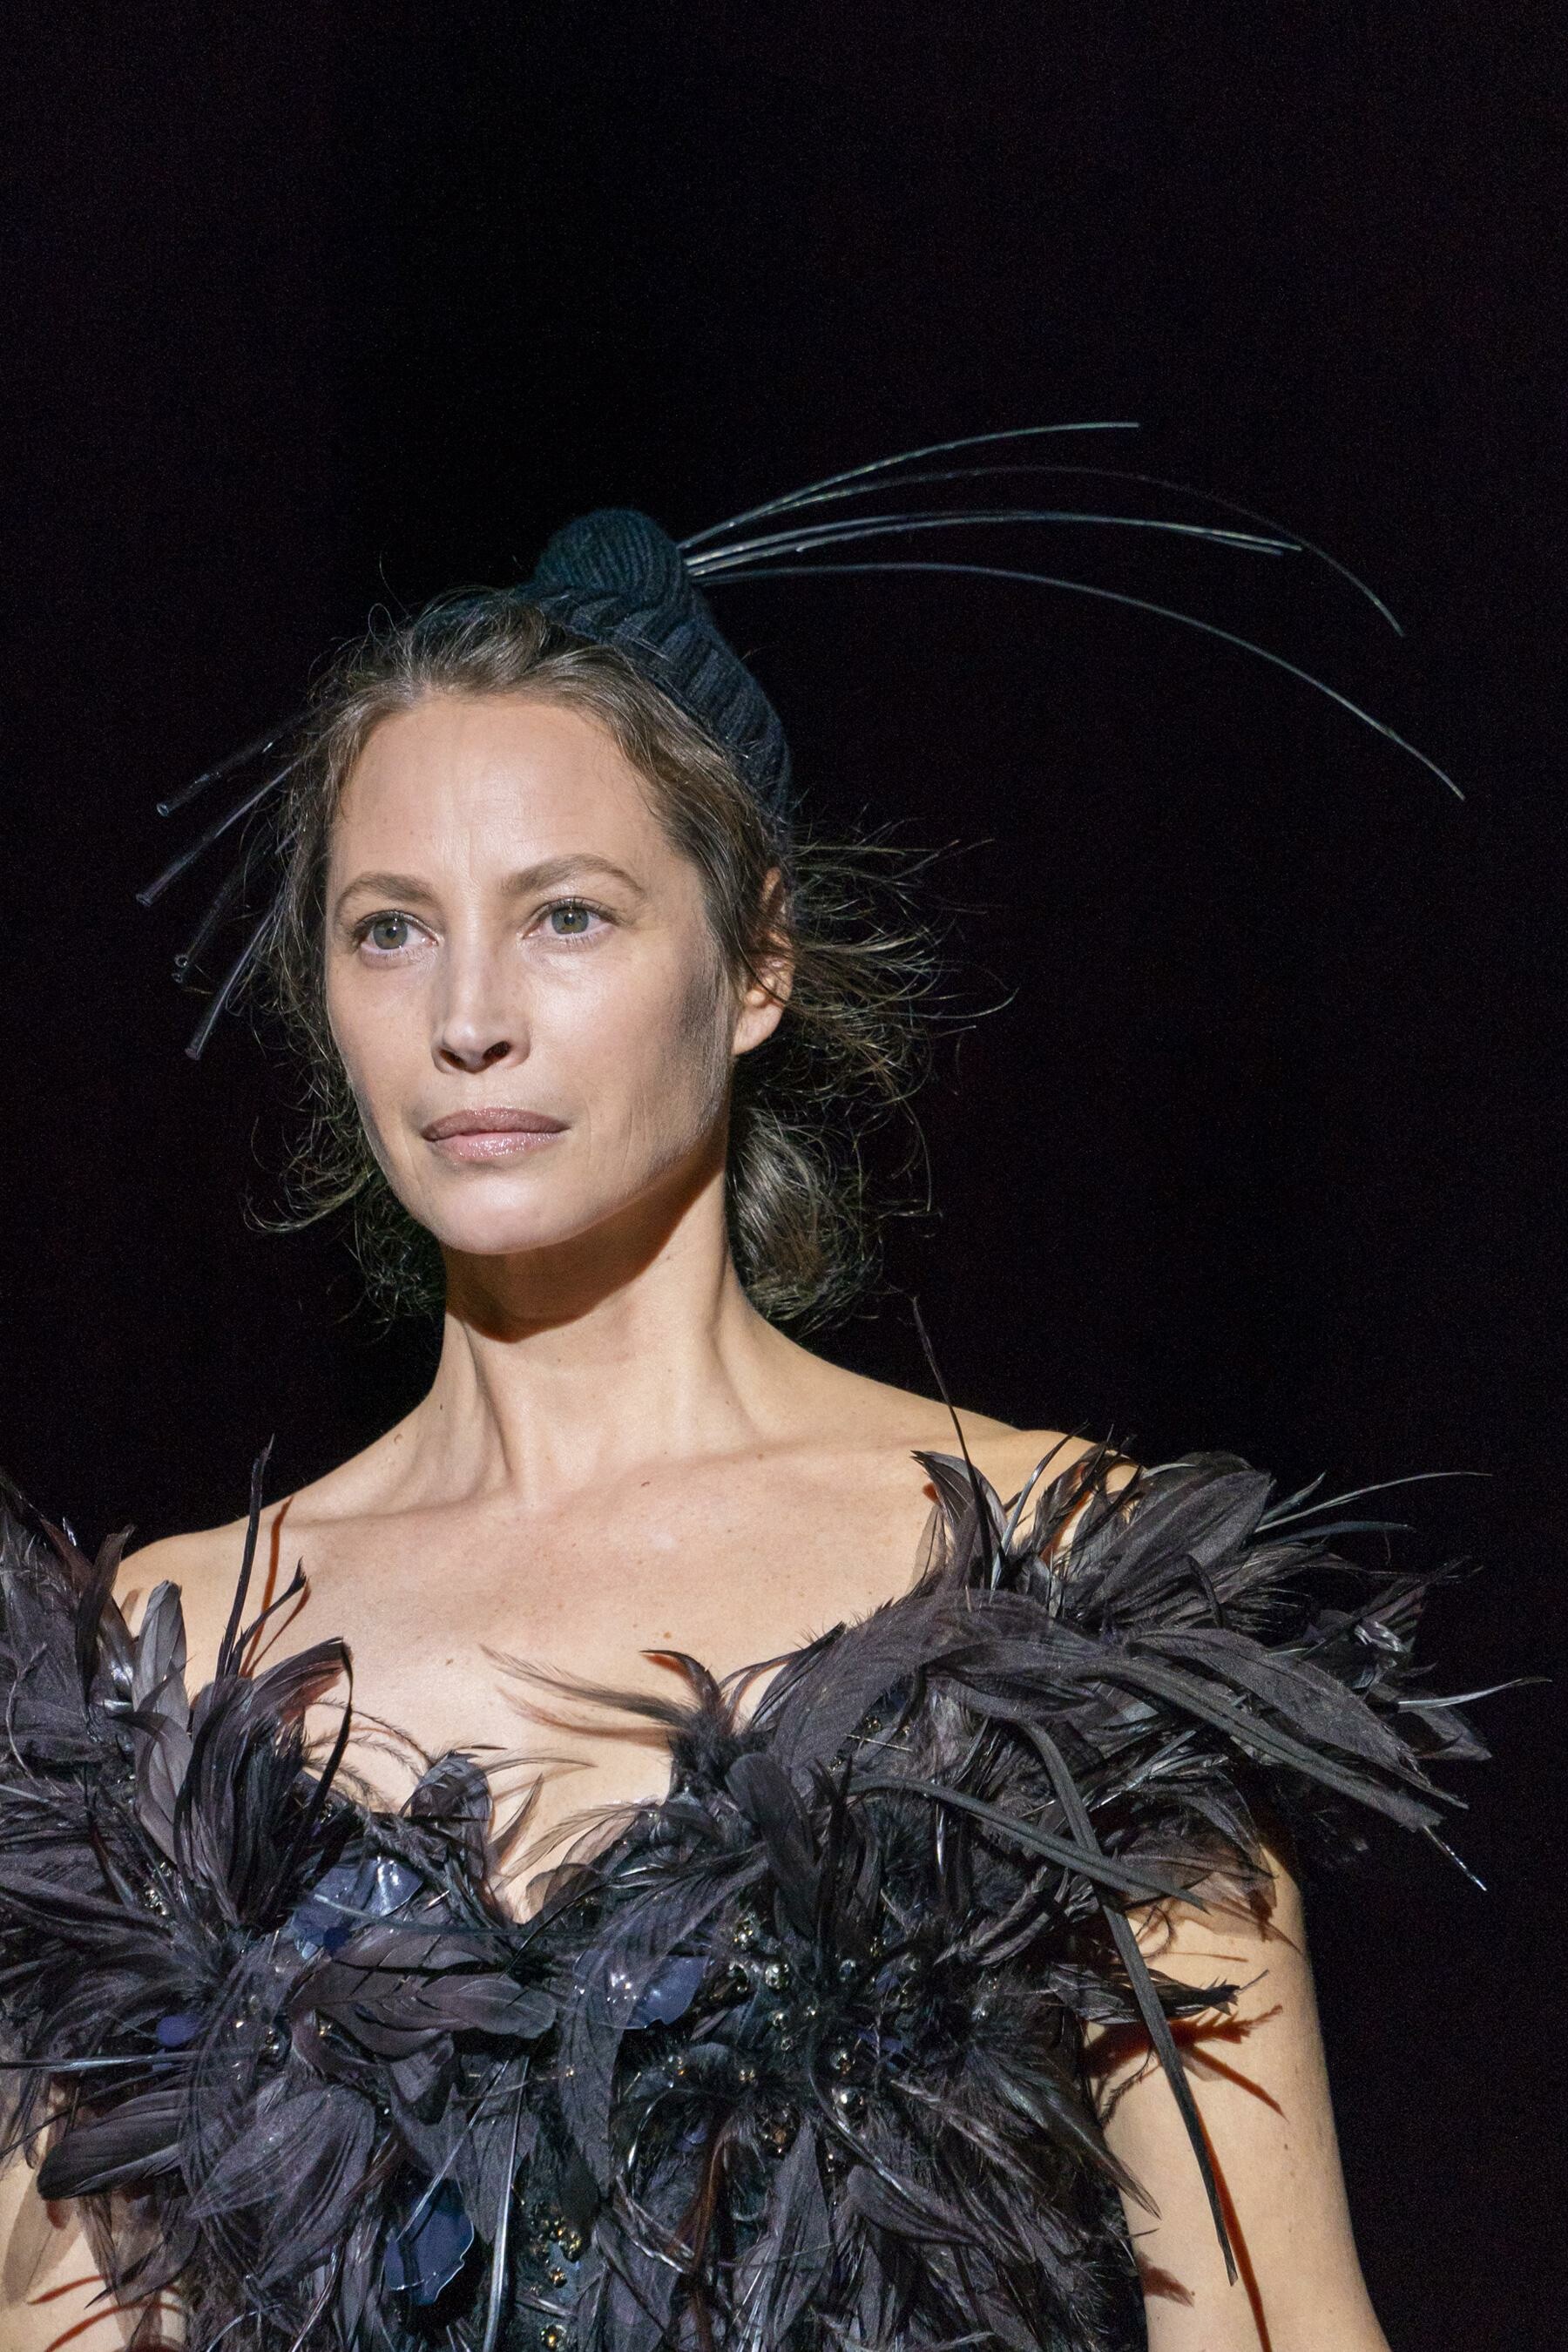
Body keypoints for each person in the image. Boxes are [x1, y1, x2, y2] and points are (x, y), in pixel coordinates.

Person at [0, 476, 1478, 2352]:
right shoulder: (162, 1673)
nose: (468, 1017)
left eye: (568, 916)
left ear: (757, 959)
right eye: (388, 930)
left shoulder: (1065, 1609)